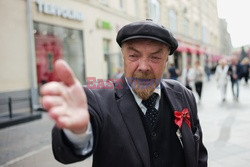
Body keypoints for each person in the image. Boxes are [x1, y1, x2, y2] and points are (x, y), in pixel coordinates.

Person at [41, 20, 207, 167]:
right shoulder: (96, 99)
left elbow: (198, 155)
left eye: (155, 58)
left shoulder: (184, 95)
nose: (143, 66)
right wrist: (77, 132)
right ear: (123, 57)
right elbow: (65, 153)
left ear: (166, 61)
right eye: (134, 56)